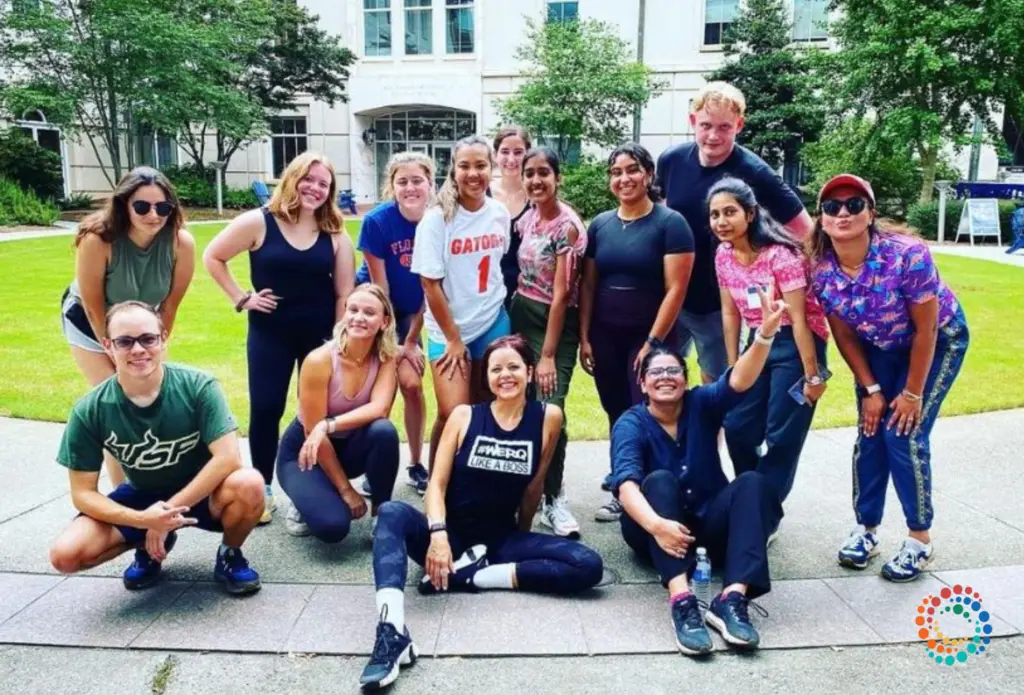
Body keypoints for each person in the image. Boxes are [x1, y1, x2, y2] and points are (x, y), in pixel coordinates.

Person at [359, 335, 603, 690]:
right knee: (393, 513)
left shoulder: (548, 417)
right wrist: (438, 536)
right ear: (486, 377)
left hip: (500, 540)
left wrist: (524, 534)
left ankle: (473, 576)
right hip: (450, 534)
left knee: (588, 565)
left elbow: (534, 486)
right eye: (496, 369)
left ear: (530, 373)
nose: (506, 375)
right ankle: (391, 633)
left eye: (514, 367)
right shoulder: (464, 416)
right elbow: (436, 486)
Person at [610, 287, 789, 656]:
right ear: (642, 384)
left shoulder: (702, 402)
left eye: (673, 370)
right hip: (651, 529)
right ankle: (682, 600)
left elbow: (738, 380)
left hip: (707, 524)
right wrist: (657, 526)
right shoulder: (631, 423)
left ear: (685, 378)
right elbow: (625, 486)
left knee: (752, 482)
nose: (665, 377)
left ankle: (733, 599)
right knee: (657, 481)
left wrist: (764, 335)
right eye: (655, 372)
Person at [810, 174, 969, 583]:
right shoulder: (822, 269)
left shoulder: (907, 254)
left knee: (903, 433)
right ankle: (866, 530)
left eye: (853, 204)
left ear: (871, 213)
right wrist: (872, 389)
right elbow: (843, 331)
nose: (842, 212)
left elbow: (927, 330)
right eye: (832, 206)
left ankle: (919, 539)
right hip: (879, 347)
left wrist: (912, 393)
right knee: (870, 430)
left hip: (936, 341)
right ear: (822, 219)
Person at [48, 301, 264, 595]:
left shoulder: (198, 386)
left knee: (250, 483)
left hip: (204, 493)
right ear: (108, 345)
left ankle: (229, 554)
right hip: (142, 498)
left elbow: (227, 459)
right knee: (65, 556)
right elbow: (82, 493)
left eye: (147, 338)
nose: (138, 349)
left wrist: (165, 516)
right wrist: (143, 520)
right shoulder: (90, 410)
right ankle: (146, 547)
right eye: (125, 341)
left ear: (163, 339)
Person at [203, 153, 356, 525]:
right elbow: (213, 256)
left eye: (324, 184)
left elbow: (344, 293)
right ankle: (263, 486)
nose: (315, 188)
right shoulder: (260, 221)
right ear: (293, 178)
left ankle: (312, 485)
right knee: (267, 408)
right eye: (309, 179)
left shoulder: (335, 232)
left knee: (317, 412)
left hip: (319, 337)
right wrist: (242, 297)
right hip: (270, 331)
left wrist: (337, 343)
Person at [656, 82, 813, 385]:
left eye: (724, 127)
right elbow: (659, 216)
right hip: (669, 295)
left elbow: (805, 231)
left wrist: (782, 273)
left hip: (718, 301)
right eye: (705, 126)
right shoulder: (671, 160)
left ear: (739, 125)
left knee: (715, 380)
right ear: (692, 122)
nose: (713, 136)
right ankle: (675, 434)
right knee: (660, 372)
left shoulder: (756, 173)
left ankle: (712, 435)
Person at [578, 142, 694, 523]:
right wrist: (584, 337)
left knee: (647, 408)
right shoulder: (601, 225)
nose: (623, 178)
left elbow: (676, 289)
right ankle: (622, 479)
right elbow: (589, 286)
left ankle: (650, 486)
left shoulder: (670, 223)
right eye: (616, 172)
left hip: (649, 337)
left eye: (632, 170)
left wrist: (653, 344)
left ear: (648, 175)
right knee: (616, 410)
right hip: (605, 334)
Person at [60, 167, 195, 487]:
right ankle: (125, 498)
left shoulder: (181, 243)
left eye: (163, 208)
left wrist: (154, 348)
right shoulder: (98, 240)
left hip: (145, 325)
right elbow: (94, 307)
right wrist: (117, 354)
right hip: (91, 321)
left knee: (150, 397)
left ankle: (153, 486)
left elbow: (170, 306)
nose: (153, 215)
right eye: (142, 206)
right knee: (117, 404)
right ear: (123, 205)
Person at [710, 177, 830, 529]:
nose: (721, 221)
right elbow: (730, 313)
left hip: (798, 342)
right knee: (737, 426)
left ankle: (762, 516)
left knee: (782, 435)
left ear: (750, 214)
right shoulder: (723, 255)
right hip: (759, 342)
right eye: (715, 214)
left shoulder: (782, 255)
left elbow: (800, 318)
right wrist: (733, 371)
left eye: (730, 212)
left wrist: (812, 374)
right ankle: (754, 496)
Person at [411, 135, 511, 471]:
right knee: (453, 413)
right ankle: (438, 482)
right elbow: (429, 282)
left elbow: (497, 264)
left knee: (488, 407)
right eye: (464, 165)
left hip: (492, 321)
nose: (473, 173)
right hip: (448, 330)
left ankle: (480, 478)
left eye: (481, 165)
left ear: (491, 168)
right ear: (453, 170)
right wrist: (454, 339)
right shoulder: (437, 218)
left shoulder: (499, 212)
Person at [276, 284, 401, 541]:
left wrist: (329, 425)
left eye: (369, 312)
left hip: (348, 446)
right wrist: (346, 491)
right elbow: (313, 430)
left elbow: (380, 408)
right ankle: (306, 497)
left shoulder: (386, 357)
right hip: (305, 452)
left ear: (384, 322)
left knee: (384, 431)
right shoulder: (319, 360)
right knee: (333, 528)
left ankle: (382, 514)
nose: (358, 318)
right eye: (353, 309)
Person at [509, 147, 588, 538]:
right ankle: (519, 490)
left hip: (555, 322)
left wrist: (549, 355)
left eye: (544, 173)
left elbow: (562, 295)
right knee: (518, 404)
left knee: (551, 408)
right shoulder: (527, 218)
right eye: (529, 173)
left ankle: (552, 497)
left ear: (558, 177)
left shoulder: (567, 227)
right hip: (521, 313)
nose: (536, 180)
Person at [355, 152, 434, 495]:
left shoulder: (439, 220)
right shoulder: (377, 221)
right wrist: (393, 343)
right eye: (402, 181)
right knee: (376, 390)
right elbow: (380, 289)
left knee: (412, 385)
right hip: (377, 308)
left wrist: (411, 343)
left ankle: (416, 463)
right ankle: (374, 465)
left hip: (417, 309)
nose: (410, 187)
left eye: (417, 180)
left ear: (430, 183)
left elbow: (433, 287)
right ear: (392, 185)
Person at [492, 126, 533, 307]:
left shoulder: (537, 196)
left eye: (518, 152)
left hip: (529, 294)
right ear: (495, 155)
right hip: (488, 292)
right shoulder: (481, 196)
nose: (511, 159)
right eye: (505, 152)